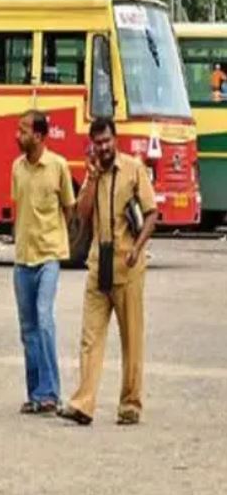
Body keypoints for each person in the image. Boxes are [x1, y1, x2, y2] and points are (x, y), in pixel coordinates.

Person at [58, 117, 158, 426]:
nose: (103, 148)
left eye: (107, 141)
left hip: (127, 265)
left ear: (115, 140)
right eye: (98, 143)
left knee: (131, 338)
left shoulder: (133, 169)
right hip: (97, 264)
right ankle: (83, 403)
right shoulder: (94, 174)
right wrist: (91, 178)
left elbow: (152, 213)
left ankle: (130, 403)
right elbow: (82, 216)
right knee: (90, 336)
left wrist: (137, 248)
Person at [11, 111, 76, 415]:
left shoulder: (59, 167)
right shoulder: (17, 168)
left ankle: (51, 392)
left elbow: (70, 210)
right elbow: (17, 211)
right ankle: (36, 393)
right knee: (28, 329)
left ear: (38, 136)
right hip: (23, 258)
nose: (17, 135)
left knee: (44, 319)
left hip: (49, 255)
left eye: (23, 130)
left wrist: (67, 245)